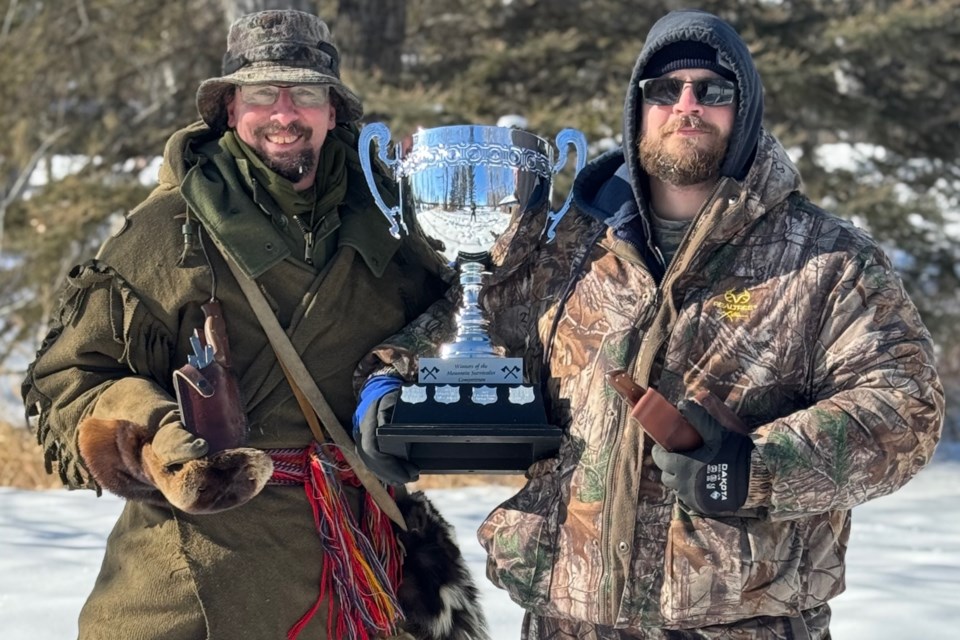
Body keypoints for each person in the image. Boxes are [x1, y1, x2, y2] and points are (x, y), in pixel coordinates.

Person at [355, 9, 944, 639]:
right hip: (565, 623)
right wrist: (384, 392)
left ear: (742, 109)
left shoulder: (824, 258)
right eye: (665, 89)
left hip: (745, 625)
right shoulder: (565, 247)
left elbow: (905, 410)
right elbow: (447, 334)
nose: (686, 104)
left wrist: (755, 465)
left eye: (712, 90)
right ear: (639, 108)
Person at [22, 10, 488, 640]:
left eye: (306, 93)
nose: (285, 113)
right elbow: (68, 381)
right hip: (199, 576)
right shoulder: (166, 233)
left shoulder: (396, 220)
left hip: (362, 572)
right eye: (264, 92)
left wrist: (399, 371)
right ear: (231, 106)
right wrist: (156, 437)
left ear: (333, 110)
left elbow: (470, 323)